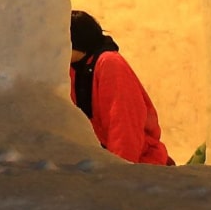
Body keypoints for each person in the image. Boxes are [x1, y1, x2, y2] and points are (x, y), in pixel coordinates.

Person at [69, 10, 175, 164]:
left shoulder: (109, 64)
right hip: (102, 162)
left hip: (141, 163)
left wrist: (120, 171)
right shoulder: (73, 69)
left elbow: (124, 122)